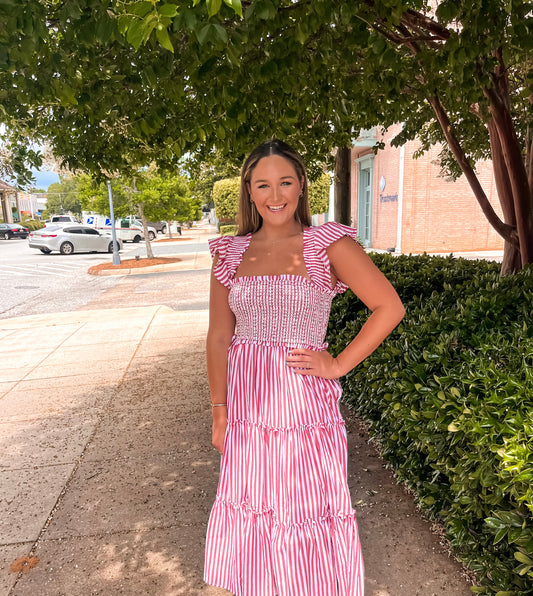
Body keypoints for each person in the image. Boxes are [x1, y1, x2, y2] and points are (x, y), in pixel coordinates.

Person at [204, 139, 405, 596]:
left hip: (302, 407)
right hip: (248, 408)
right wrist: (219, 412)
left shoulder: (325, 244)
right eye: (263, 185)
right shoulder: (229, 254)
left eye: (285, 182)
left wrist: (337, 364)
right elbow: (219, 337)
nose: (275, 195)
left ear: (300, 187)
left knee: (305, 505)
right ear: (249, 192)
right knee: (253, 503)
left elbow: (388, 306)